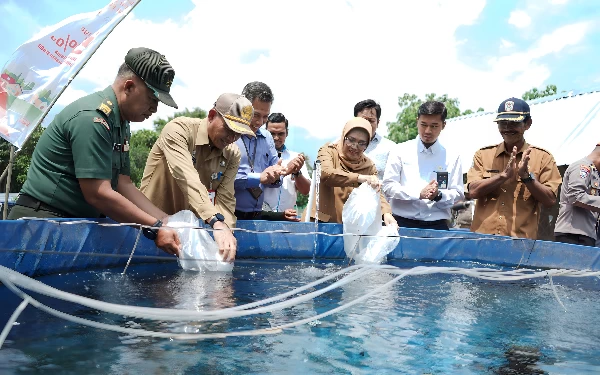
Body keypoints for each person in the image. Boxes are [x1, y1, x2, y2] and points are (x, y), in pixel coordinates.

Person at [8, 47, 181, 255]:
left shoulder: (121, 123)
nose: (155, 109)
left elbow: (123, 184)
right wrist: (154, 228)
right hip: (39, 226)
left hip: (72, 226)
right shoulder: (92, 118)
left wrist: (166, 220)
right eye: (152, 99)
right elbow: (99, 194)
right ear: (129, 86)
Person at [139, 93, 256, 261]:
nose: (232, 138)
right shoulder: (178, 130)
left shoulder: (232, 154)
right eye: (229, 129)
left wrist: (226, 233)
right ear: (211, 115)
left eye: (239, 134)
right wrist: (215, 221)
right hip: (150, 228)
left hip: (186, 236)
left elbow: (225, 199)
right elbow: (188, 178)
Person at [467, 97, 562, 239]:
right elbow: (472, 191)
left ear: (528, 124)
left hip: (520, 243)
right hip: (483, 240)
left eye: (513, 123)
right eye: (502, 123)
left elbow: (550, 200)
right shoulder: (483, 155)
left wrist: (527, 178)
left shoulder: (543, 158)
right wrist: (502, 176)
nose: (506, 128)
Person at [382, 101, 464, 230]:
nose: (427, 131)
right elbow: (388, 186)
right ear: (417, 121)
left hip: (437, 225)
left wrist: (439, 195)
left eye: (434, 126)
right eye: (423, 125)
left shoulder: (452, 156)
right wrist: (417, 193)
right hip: (402, 223)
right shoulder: (399, 151)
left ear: (443, 125)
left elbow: (458, 193)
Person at [305, 117, 397, 227]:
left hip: (349, 230)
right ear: (343, 137)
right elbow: (326, 174)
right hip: (319, 225)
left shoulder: (368, 165)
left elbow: (377, 192)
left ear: (367, 145)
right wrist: (359, 178)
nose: (354, 146)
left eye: (361, 143)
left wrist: (386, 212)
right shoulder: (328, 151)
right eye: (351, 140)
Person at [233, 81, 304, 220]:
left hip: (257, 216)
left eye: (265, 117)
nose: (260, 122)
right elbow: (225, 178)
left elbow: (274, 177)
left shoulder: (266, 138)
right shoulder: (230, 135)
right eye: (256, 115)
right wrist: (259, 178)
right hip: (229, 215)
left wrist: (279, 174)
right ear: (243, 107)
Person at [263, 112, 311, 215]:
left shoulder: (296, 158)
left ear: (287, 133)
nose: (276, 138)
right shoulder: (258, 155)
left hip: (287, 218)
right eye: (272, 133)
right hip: (262, 217)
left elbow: (306, 191)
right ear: (265, 133)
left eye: (280, 134)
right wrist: (286, 170)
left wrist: (297, 172)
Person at [553, 144, 600, 247]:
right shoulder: (582, 167)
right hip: (572, 235)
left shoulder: (595, 173)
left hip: (586, 235)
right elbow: (575, 196)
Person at [354, 99, 396, 180]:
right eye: (363, 120)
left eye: (371, 120)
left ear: (378, 123)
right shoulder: (339, 145)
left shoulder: (391, 148)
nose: (366, 124)